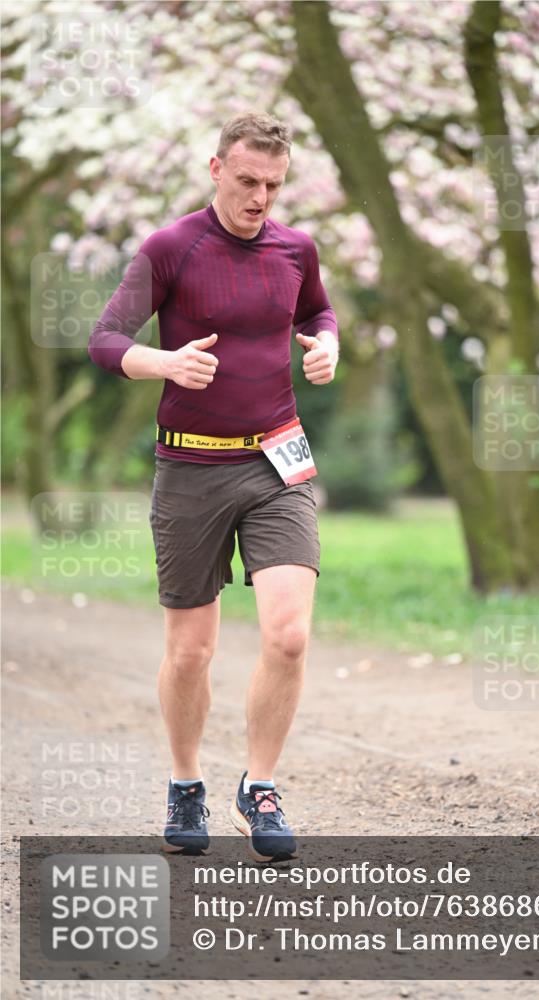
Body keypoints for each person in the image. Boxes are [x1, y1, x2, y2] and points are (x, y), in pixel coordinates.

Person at [88, 111, 339, 861]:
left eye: (273, 184)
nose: (260, 197)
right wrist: (163, 364)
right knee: (191, 651)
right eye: (247, 181)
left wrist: (324, 344)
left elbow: (317, 309)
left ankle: (258, 788)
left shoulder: (296, 248)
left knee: (288, 637)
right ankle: (185, 784)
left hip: (276, 462)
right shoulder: (172, 248)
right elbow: (105, 339)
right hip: (190, 466)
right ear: (215, 169)